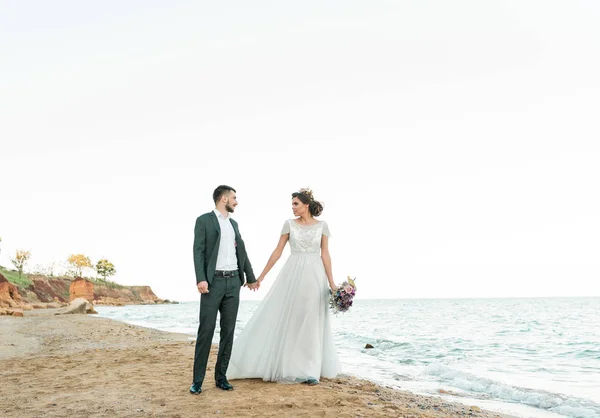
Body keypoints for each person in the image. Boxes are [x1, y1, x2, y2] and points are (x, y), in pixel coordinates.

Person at [227, 188, 341, 385]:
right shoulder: (289, 225)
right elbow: (277, 252)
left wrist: (332, 283)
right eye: (292, 205)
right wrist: (260, 277)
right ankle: (290, 366)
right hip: (293, 274)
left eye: (296, 204)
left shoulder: (322, 226)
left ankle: (311, 370)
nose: (293, 208)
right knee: (293, 318)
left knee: (313, 320)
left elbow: (325, 255)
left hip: (315, 275)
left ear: (306, 205)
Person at [190, 185, 258, 395]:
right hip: (213, 283)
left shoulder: (234, 224)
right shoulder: (204, 221)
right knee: (206, 331)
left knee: (228, 332)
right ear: (223, 198)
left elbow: (243, 253)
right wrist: (201, 279)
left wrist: (251, 277)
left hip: (233, 283)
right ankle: (197, 381)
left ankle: (221, 377)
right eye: (234, 198)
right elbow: (198, 251)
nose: (236, 202)